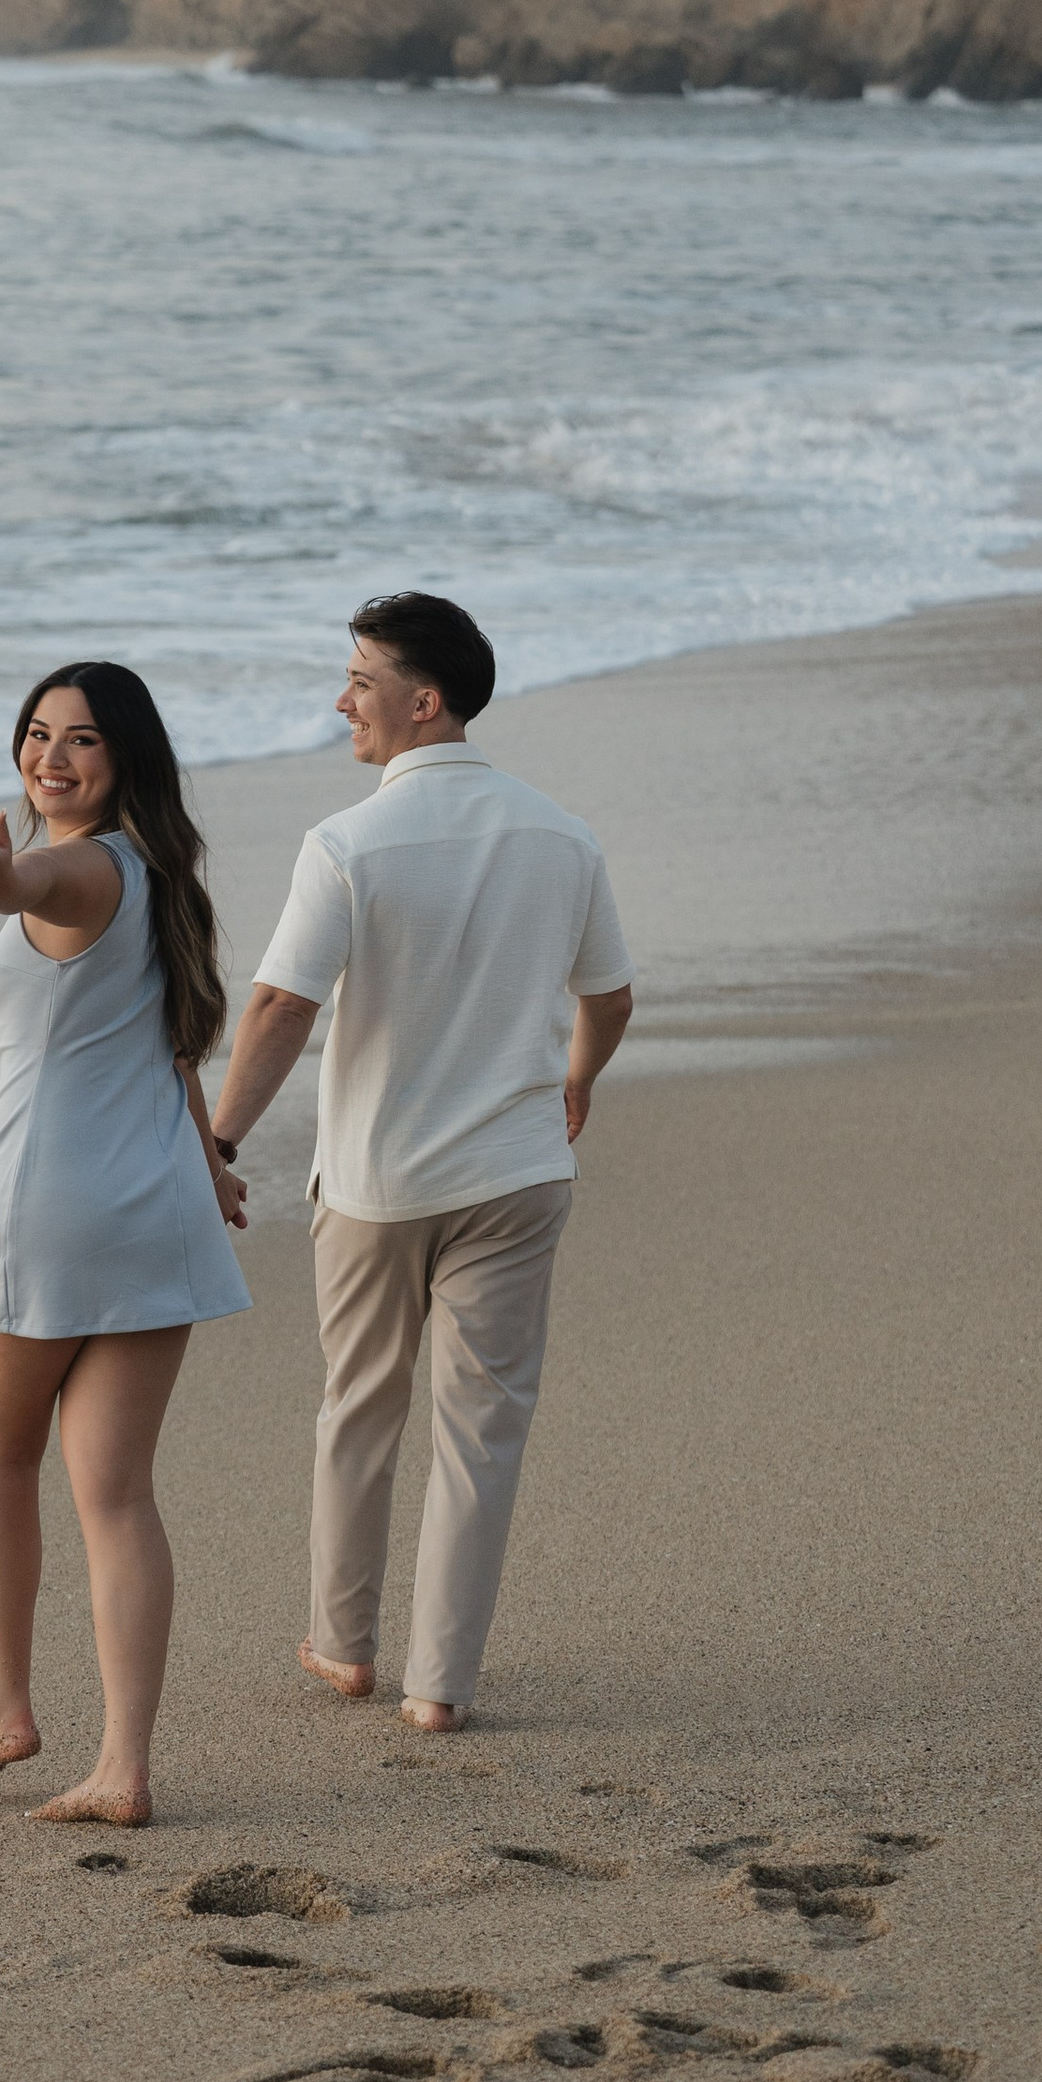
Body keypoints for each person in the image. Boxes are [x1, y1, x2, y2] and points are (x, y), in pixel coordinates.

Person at [209, 592, 633, 1734]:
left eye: (359, 678)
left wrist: (219, 1139)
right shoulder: (559, 832)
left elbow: (281, 1003)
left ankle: (343, 1647)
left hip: (377, 1180)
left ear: (422, 698)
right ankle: (439, 1687)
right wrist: (578, 1076)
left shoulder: (347, 842)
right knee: (481, 1429)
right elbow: (609, 992)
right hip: (517, 1167)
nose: (341, 698)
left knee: (359, 1406)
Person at [0, 660, 249, 1826]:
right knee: (116, 1496)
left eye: (82, 743)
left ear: (125, 763)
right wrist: (208, 1155)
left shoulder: (80, 867)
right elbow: (172, 1039)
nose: (49, 758)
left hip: (46, 1210)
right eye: (36, 734)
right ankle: (123, 1766)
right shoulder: (161, 873)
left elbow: (37, 879)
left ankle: (7, 1706)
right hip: (154, 1203)